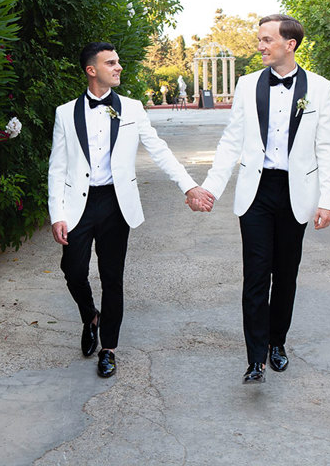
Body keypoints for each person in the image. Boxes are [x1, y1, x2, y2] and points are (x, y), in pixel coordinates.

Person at [188, 15, 330, 384]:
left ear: (291, 44)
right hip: (255, 193)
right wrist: (211, 187)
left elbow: (326, 147)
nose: (259, 46)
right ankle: (254, 357)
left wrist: (327, 199)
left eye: (267, 39)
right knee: (256, 276)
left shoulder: (320, 89)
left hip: (296, 192)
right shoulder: (246, 84)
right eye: (259, 39)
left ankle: (276, 343)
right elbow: (231, 141)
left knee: (285, 275)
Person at [48, 41, 213, 378]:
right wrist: (57, 214)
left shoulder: (133, 108)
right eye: (111, 63)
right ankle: (90, 316)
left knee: (112, 277)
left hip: (115, 204)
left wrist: (190, 185)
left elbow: (160, 150)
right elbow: (56, 167)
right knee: (74, 271)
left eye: (118, 62)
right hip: (77, 203)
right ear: (91, 70)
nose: (118, 67)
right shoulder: (65, 113)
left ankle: (108, 349)